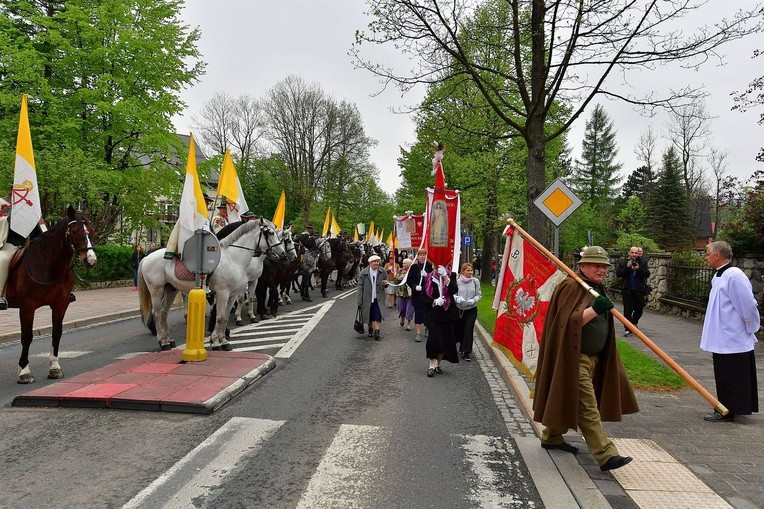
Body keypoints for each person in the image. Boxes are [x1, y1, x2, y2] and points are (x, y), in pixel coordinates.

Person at [533, 246, 639, 472]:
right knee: (587, 406)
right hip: (574, 358)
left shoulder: (595, 288)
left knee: (566, 395)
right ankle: (605, 454)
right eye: (596, 266)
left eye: (604, 266)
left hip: (595, 358)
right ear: (582, 267)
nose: (602, 270)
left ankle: (551, 436)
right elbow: (566, 323)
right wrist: (594, 310)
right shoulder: (571, 286)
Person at [700, 241, 760, 422]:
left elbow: (747, 304)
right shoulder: (719, 276)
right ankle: (727, 406)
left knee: (733, 373)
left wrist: (751, 327)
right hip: (722, 335)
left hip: (733, 335)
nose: (706, 257)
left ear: (717, 255)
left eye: (708, 254)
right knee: (725, 372)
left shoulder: (734, 275)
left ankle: (731, 408)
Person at [422, 265, 459, 376]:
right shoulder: (428, 277)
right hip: (434, 314)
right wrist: (434, 301)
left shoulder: (451, 275)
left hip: (447, 314)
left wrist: (445, 277)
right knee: (433, 339)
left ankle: (437, 364)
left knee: (445, 341)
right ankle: (431, 366)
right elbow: (423, 296)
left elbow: (454, 290)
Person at [615, 246, 650, 336]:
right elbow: (618, 274)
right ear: (629, 253)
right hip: (627, 289)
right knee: (628, 310)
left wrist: (638, 269)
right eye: (632, 252)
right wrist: (627, 267)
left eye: (636, 253)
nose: (634, 255)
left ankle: (634, 322)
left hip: (638, 290)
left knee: (639, 309)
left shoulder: (642, 262)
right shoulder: (623, 261)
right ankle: (628, 329)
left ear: (638, 253)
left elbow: (647, 274)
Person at [454, 262, 482, 361]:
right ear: (463, 271)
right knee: (460, 328)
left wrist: (473, 300)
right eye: (468, 270)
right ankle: (461, 346)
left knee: (468, 329)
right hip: (459, 309)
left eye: (471, 270)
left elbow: (479, 294)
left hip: (471, 309)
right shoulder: (457, 281)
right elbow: (453, 294)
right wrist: (457, 299)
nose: (470, 272)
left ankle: (467, 352)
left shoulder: (475, 281)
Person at [357, 254, 387, 341]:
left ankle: (377, 332)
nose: (376, 263)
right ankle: (370, 328)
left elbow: (386, 281)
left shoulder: (382, 271)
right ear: (370, 263)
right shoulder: (364, 272)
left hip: (378, 297)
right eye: (374, 262)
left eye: (377, 262)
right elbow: (360, 287)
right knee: (369, 315)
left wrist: (386, 283)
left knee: (378, 314)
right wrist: (359, 300)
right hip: (367, 298)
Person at [406, 249, 433, 342]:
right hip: (417, 294)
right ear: (417, 256)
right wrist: (414, 286)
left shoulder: (429, 266)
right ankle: (418, 333)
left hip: (427, 294)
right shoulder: (414, 267)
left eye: (424, 255)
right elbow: (409, 280)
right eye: (420, 255)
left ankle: (427, 328)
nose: (422, 256)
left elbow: (434, 278)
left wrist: (427, 276)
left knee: (427, 312)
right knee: (418, 313)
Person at [396, 258, 415, 331]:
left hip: (410, 293)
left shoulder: (412, 271)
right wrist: (401, 277)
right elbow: (396, 280)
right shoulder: (400, 270)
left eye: (405, 263)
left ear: (409, 264)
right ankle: (402, 318)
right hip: (401, 292)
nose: (403, 264)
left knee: (410, 309)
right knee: (401, 307)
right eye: (403, 263)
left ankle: (409, 324)